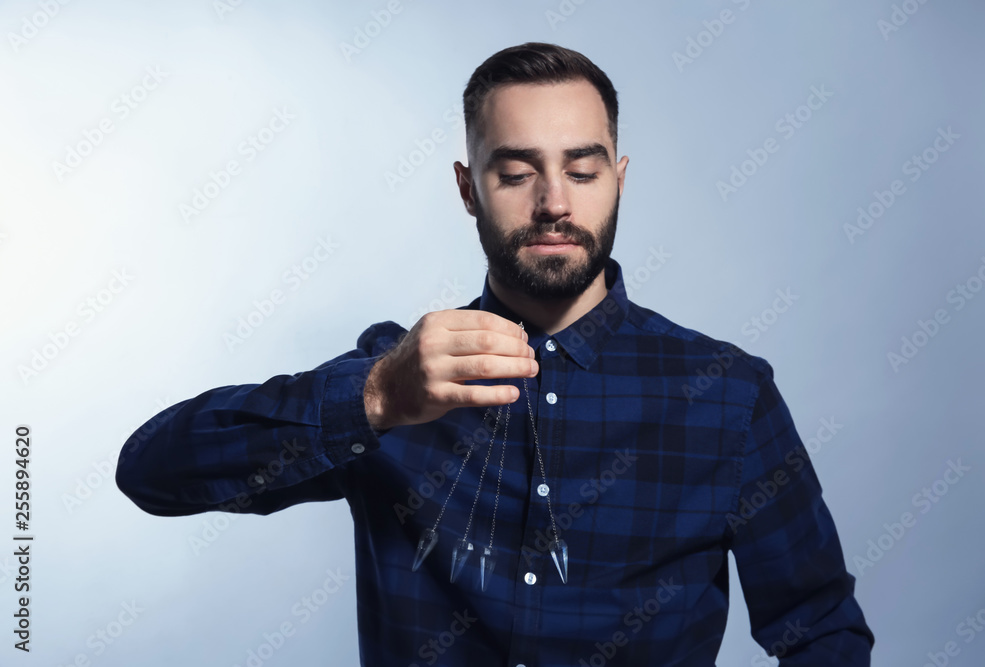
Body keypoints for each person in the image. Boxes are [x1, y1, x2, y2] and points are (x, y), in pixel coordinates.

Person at [116, 41, 874, 665]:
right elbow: (152, 471)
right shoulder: (397, 377)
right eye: (515, 172)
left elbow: (822, 629)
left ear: (619, 178)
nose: (553, 202)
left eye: (582, 169)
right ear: (468, 188)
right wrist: (375, 397)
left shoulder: (726, 394)